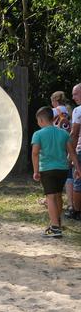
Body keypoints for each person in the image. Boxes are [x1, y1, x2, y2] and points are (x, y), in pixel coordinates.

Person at [32, 106, 81, 238]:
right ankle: (57, 222)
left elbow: (35, 153)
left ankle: (54, 228)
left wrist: (36, 171)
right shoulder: (63, 133)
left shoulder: (38, 134)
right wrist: (78, 169)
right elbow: (72, 152)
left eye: (38, 121)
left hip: (47, 169)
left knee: (51, 197)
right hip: (63, 169)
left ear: (41, 120)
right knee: (58, 195)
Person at [68, 84, 81, 218]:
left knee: (78, 178)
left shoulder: (78, 111)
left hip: (80, 150)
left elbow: (74, 134)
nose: (73, 97)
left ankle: (77, 211)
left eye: (76, 94)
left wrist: (70, 154)